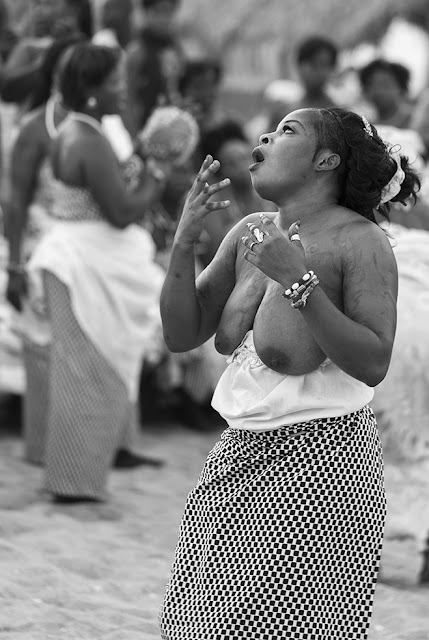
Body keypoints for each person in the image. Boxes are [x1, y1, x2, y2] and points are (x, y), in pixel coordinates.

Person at [159, 107, 420, 638]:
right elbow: (182, 333)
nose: (265, 135)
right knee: (195, 620)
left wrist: (298, 282)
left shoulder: (360, 241)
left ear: (326, 160)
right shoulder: (249, 232)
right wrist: (183, 242)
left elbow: (374, 362)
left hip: (323, 469)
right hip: (236, 455)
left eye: (287, 131)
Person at [27, 42, 173, 502]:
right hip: (83, 264)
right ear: (91, 88)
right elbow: (121, 212)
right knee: (86, 371)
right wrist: (156, 178)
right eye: (115, 81)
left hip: (80, 258)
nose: (123, 90)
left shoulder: (79, 129)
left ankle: (77, 477)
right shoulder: (87, 138)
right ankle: (73, 482)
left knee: (86, 369)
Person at [4, 36, 83, 465]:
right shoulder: (36, 127)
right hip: (42, 249)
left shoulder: (102, 123)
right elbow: (15, 201)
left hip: (88, 252)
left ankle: (80, 448)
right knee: (43, 348)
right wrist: (16, 265)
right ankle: (44, 450)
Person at [0, 0, 93, 106]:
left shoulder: (95, 45)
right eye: (39, 4)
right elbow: (7, 90)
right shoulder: (30, 49)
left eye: (49, 4)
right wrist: (48, 60)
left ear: (74, 9)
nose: (40, 10)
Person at [125, 0, 183, 134]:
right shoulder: (137, 52)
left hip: (172, 126)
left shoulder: (175, 49)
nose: (164, 18)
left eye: (169, 12)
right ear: (145, 12)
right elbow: (128, 98)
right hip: (145, 127)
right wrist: (134, 134)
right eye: (158, 11)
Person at [359, 59, 413, 129]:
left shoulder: (415, 121)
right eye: (372, 84)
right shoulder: (364, 124)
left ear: (401, 88)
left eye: (385, 84)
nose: (379, 90)